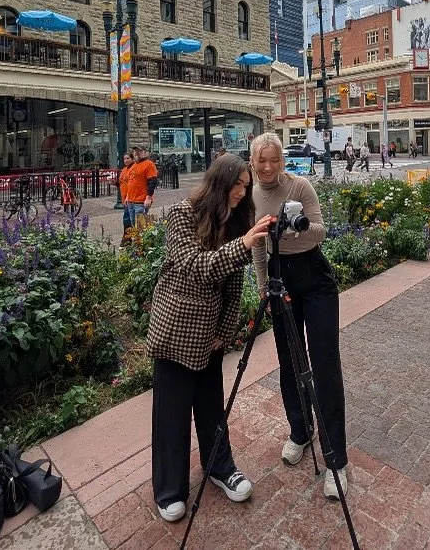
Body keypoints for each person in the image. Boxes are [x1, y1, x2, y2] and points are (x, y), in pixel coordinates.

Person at [146, 154, 274, 522]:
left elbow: (233, 287)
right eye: (238, 185)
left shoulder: (236, 221)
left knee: (211, 407)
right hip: (177, 329)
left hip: (210, 335)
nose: (242, 192)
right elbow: (196, 267)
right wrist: (244, 244)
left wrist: (225, 330)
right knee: (171, 415)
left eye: (246, 187)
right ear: (220, 183)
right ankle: (169, 488)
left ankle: (219, 466)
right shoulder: (181, 214)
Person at [250, 133, 348, 500]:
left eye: (274, 159)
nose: (269, 167)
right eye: (262, 160)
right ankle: (300, 429)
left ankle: (336, 458)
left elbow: (321, 232)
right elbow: (258, 245)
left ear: (282, 160)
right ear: (253, 161)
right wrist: (262, 285)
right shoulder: (253, 195)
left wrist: (296, 228)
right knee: (290, 362)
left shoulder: (301, 186)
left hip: (315, 278)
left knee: (324, 364)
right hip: (279, 280)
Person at [125, 145, 157, 226]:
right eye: (135, 151)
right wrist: (128, 196)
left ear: (145, 152)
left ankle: (140, 238)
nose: (137, 153)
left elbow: (152, 182)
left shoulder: (149, 164)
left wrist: (148, 198)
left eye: (139, 151)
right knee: (133, 223)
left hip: (140, 201)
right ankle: (137, 238)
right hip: (131, 200)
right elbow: (130, 181)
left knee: (140, 225)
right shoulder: (134, 165)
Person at [117, 151, 134, 246]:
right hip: (125, 199)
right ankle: (128, 239)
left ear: (132, 159)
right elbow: (122, 182)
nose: (126, 160)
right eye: (124, 158)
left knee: (128, 220)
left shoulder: (133, 168)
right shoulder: (124, 169)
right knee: (127, 220)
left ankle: (127, 239)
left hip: (131, 198)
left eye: (128, 158)